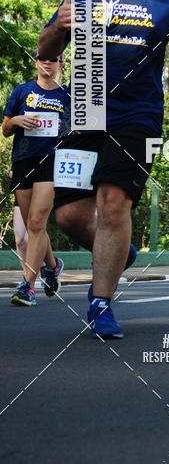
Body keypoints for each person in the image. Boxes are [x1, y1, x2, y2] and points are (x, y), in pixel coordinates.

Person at [38, 0, 169, 338]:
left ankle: (100, 303)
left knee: (114, 203)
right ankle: (120, 251)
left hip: (138, 115)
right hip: (86, 110)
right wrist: (59, 25)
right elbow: (46, 49)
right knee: (70, 216)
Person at [3, 53, 69, 306]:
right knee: (33, 225)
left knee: (37, 223)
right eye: (42, 57)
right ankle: (52, 266)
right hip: (23, 161)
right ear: (36, 62)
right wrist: (17, 120)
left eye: (54, 58)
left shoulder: (68, 95)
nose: (47, 61)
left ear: (61, 63)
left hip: (52, 162)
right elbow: (6, 128)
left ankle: (27, 287)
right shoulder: (22, 91)